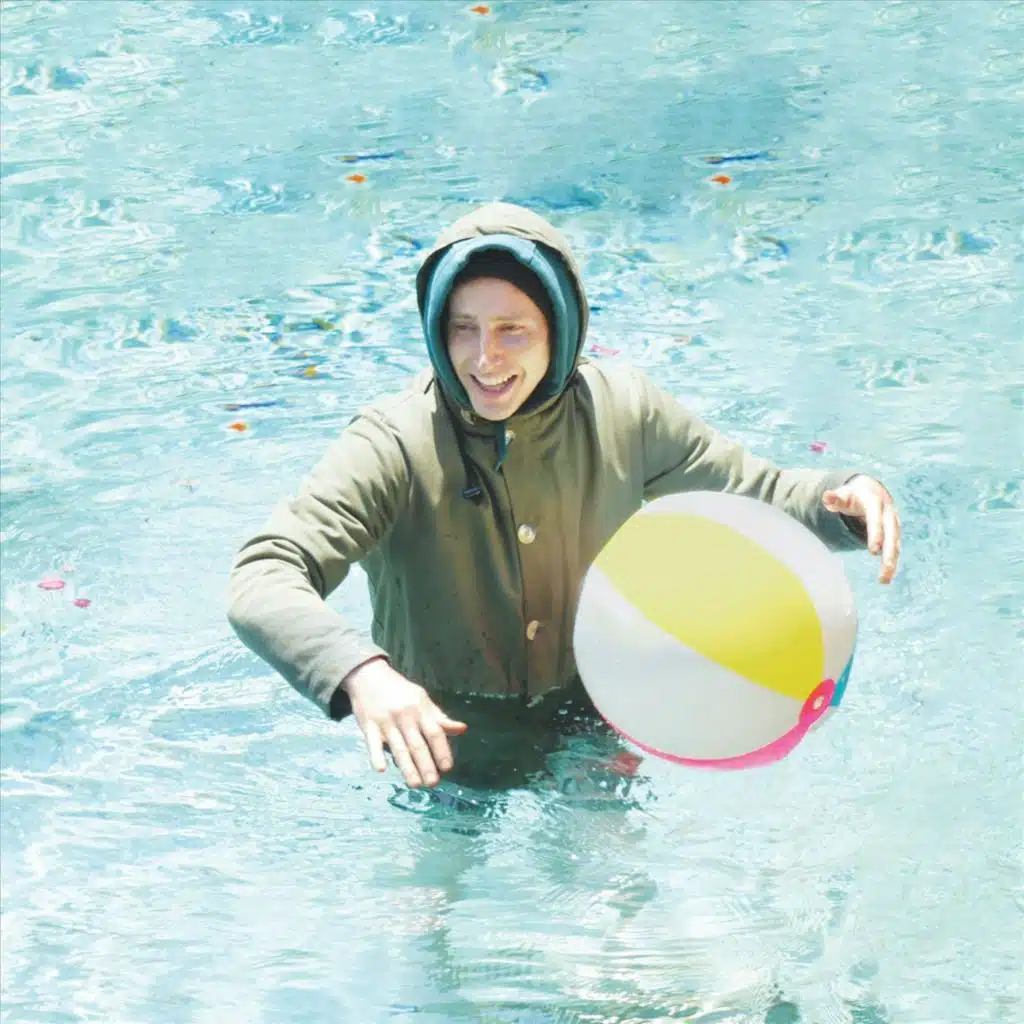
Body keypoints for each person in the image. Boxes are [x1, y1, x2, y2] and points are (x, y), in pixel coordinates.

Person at [228, 202, 902, 792]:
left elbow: (752, 490)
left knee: (615, 892)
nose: (484, 358)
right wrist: (362, 674)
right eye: (463, 328)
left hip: (592, 722)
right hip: (442, 740)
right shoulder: (394, 443)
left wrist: (838, 500)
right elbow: (264, 575)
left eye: (512, 330)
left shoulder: (624, 412)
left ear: (561, 328)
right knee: (436, 895)